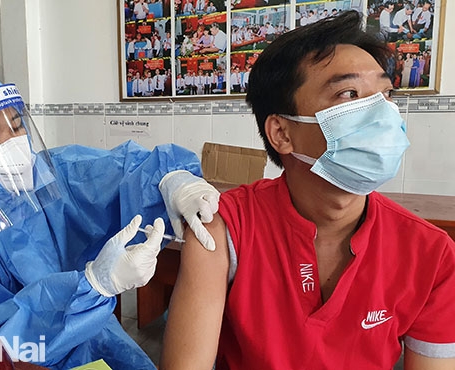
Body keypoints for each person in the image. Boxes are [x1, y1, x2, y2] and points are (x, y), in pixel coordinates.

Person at [160, 10, 455, 370]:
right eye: (349, 94)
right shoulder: (225, 228)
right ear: (282, 133)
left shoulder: (431, 252)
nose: (382, 114)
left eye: (385, 94)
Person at [0, 65, 221, 370]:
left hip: (95, 337)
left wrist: (171, 179)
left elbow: (116, 171)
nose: (13, 144)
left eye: (17, 125)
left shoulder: (49, 176)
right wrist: (92, 285)